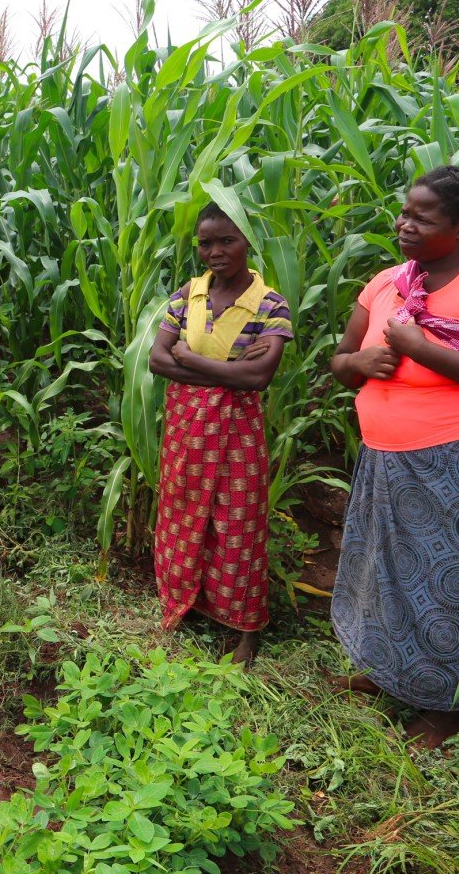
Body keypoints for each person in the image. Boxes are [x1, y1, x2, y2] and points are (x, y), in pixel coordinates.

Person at [330, 165, 459, 749]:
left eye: (421, 218)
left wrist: (419, 349)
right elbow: (341, 359)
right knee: (384, 572)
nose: (404, 224)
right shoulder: (386, 282)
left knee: (450, 582)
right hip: (385, 454)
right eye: (404, 212)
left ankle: (445, 707)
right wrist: (358, 364)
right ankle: (386, 672)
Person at [148, 203, 293, 664]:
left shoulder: (270, 304)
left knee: (238, 523)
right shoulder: (187, 295)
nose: (215, 251)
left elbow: (259, 378)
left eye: (227, 240)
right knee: (183, 513)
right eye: (206, 243)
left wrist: (190, 358)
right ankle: (187, 603)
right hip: (186, 430)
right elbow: (156, 360)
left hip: (238, 432)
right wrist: (228, 372)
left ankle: (245, 627)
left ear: (247, 240)